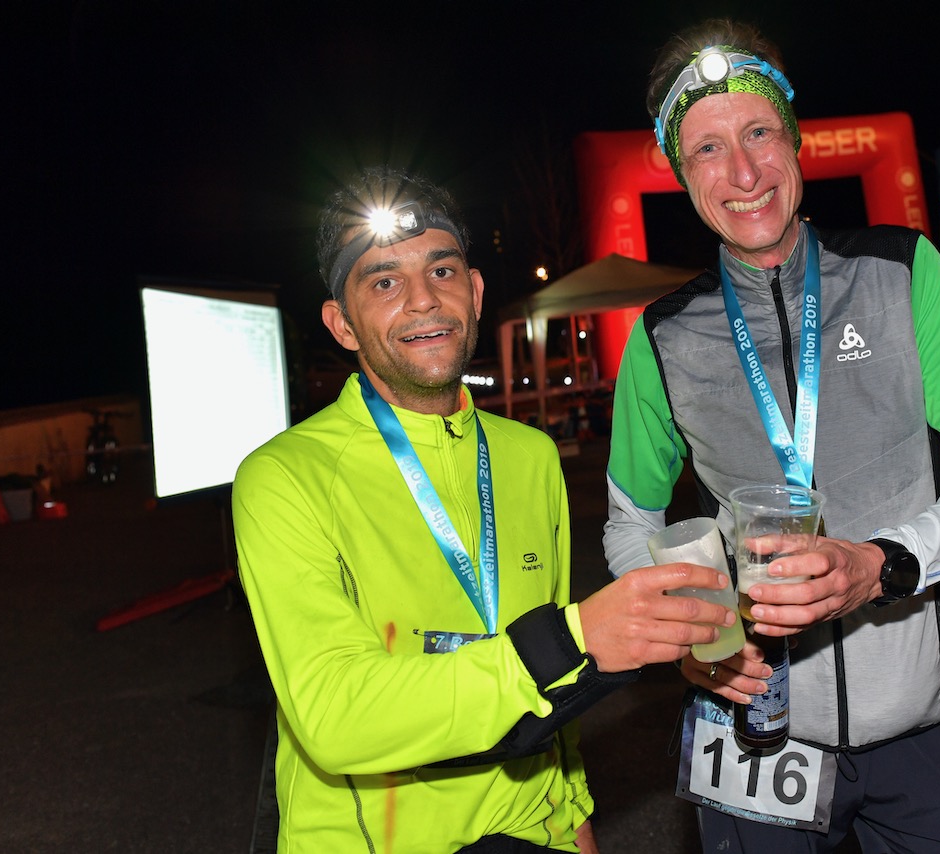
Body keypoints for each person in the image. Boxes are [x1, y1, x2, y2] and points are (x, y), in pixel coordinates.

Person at [603, 19, 940, 853]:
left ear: (796, 141)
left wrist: (884, 562)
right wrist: (694, 631)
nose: (743, 172)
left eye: (759, 132)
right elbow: (631, 522)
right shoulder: (664, 337)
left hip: (920, 729)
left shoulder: (901, 271)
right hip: (752, 733)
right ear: (681, 174)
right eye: (708, 150)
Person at [232, 166, 739, 854]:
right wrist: (575, 637)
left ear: (472, 291)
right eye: (383, 282)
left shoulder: (530, 455)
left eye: (441, 272)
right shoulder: (283, 476)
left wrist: (576, 819)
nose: (421, 301)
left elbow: (555, 698)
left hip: (537, 831)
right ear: (342, 324)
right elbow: (336, 715)